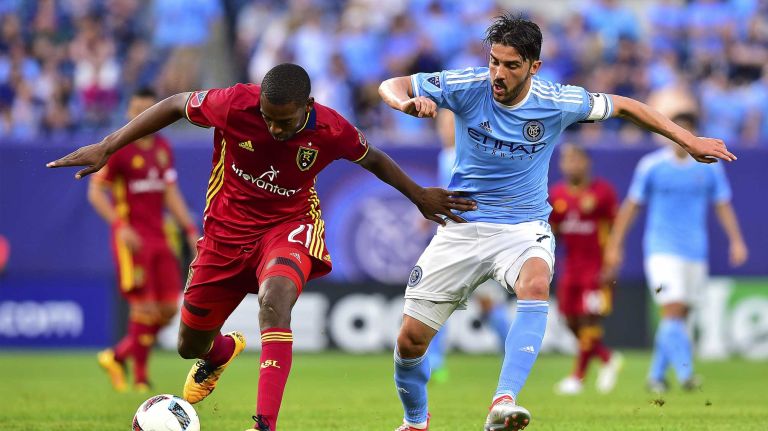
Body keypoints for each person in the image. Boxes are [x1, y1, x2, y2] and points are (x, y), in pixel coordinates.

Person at [47, 63, 475, 431]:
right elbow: (177, 103)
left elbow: (374, 158)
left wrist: (418, 195)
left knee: (275, 300)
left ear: (308, 106)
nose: (274, 128)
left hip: (289, 225)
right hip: (224, 233)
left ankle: (263, 423)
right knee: (189, 345)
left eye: (284, 122)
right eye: (268, 119)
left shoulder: (331, 128)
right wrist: (108, 144)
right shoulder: (235, 103)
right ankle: (220, 352)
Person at [378, 13, 735, 431]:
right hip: (462, 223)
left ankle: (503, 401)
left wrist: (687, 140)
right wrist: (405, 102)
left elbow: (626, 106)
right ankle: (415, 422)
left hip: (523, 226)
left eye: (511, 65)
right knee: (409, 341)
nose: (498, 73)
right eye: (494, 61)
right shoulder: (467, 85)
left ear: (534, 66)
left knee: (534, 281)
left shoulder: (557, 100)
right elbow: (394, 85)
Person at [603, 112, 748, 393]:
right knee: (671, 309)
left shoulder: (709, 167)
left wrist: (736, 240)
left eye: (688, 133)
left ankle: (656, 377)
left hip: (695, 251)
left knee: (680, 315)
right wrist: (615, 243)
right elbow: (632, 206)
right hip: (661, 250)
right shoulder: (652, 166)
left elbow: (722, 204)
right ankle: (686, 375)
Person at [88, 88, 199, 393]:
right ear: (129, 113)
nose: (144, 117)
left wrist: (190, 229)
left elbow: (170, 192)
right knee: (144, 309)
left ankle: (116, 356)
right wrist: (120, 225)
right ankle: (140, 378)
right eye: (138, 110)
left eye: (150, 111)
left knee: (167, 310)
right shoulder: (120, 148)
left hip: (162, 237)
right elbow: (95, 192)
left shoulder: (163, 147)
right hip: (133, 239)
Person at [425, 109, 512, 384]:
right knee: (438, 299)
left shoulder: (467, 153)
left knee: (481, 303)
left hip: (474, 240)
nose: (444, 129)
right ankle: (435, 363)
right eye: (442, 124)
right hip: (456, 237)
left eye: (449, 124)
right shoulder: (445, 154)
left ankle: (515, 353)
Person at [548, 143, 622, 395]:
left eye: (576, 159)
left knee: (589, 318)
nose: (571, 164)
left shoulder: (602, 193)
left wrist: (613, 260)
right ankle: (607, 357)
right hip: (571, 269)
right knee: (569, 319)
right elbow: (552, 232)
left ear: (586, 163)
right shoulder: (556, 195)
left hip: (596, 268)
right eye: (567, 160)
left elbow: (615, 230)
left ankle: (577, 377)